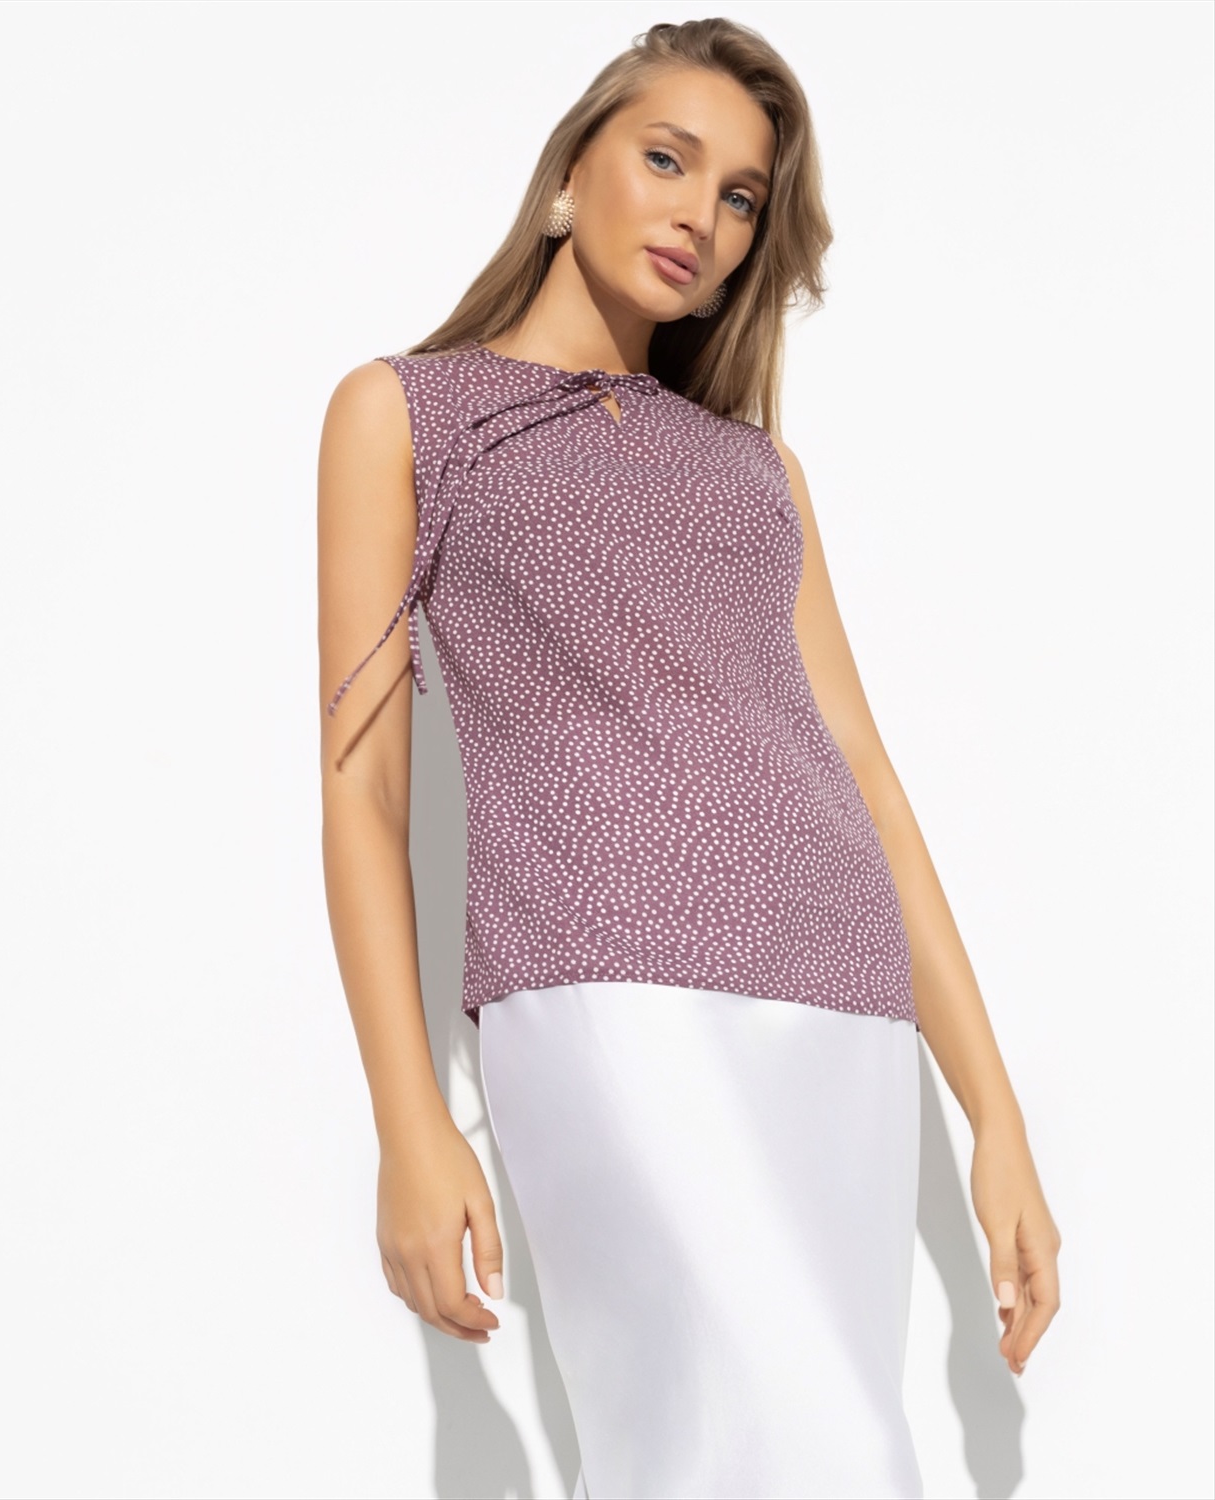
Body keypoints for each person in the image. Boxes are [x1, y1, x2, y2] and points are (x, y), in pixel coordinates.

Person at [316, 17, 1061, 1497]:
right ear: (567, 174)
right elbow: (366, 787)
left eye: (737, 198)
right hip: (602, 990)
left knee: (810, 1452)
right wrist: (409, 1118)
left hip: (836, 1007)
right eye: (667, 159)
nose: (699, 216)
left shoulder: (758, 471)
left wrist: (1000, 1119)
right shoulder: (407, 414)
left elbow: (862, 771)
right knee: (780, 1449)